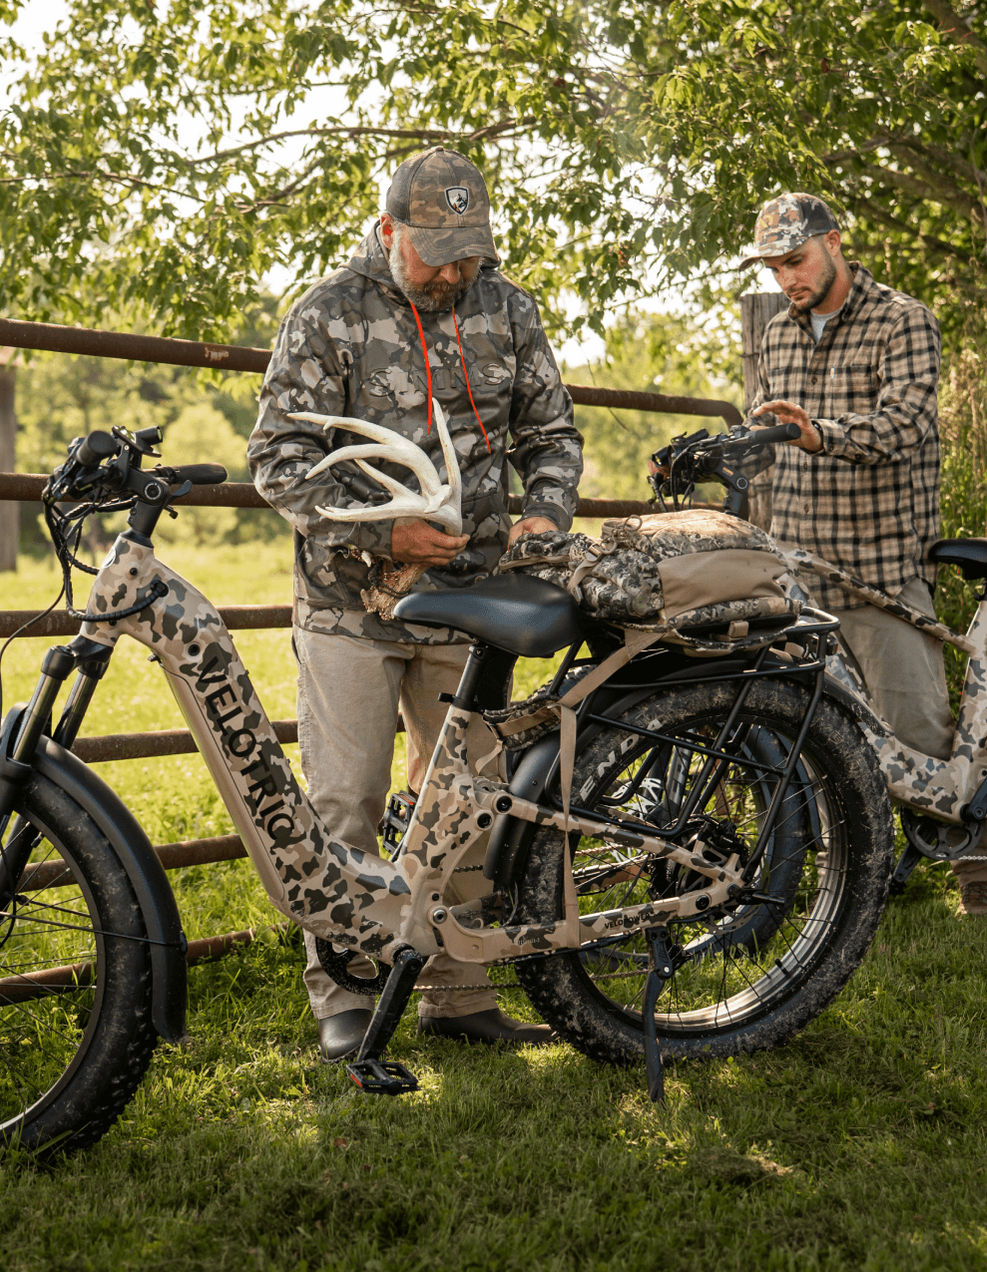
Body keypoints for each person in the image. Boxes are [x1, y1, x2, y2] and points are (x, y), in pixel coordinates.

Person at [248, 147, 586, 1058]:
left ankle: (457, 987)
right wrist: (380, 534)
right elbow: (275, 461)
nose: (454, 270)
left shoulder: (508, 308)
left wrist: (544, 517)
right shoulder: (326, 314)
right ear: (389, 228)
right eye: (436, 250)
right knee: (345, 802)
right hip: (350, 605)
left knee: (468, 797)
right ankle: (347, 995)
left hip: (474, 603)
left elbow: (552, 435)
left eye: (469, 250)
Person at [738, 192, 987, 917]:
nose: (787, 279)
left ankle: (980, 870)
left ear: (835, 243)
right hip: (801, 578)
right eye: (774, 267)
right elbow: (769, 439)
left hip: (883, 569)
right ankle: (855, 882)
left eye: (795, 260)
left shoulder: (904, 320)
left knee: (918, 730)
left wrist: (819, 433)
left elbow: (906, 424)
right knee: (824, 740)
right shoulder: (776, 334)